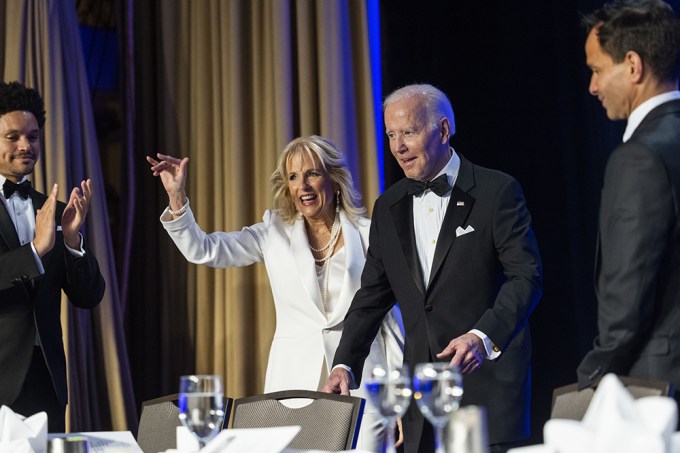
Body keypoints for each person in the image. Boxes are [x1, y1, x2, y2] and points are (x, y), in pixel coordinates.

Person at [147, 135, 404, 452]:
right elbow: (204, 250)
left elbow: (388, 320)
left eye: (312, 174)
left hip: (359, 380)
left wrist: (396, 396)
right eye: (294, 177)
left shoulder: (368, 233)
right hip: (291, 382)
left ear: (333, 179)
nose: (303, 186)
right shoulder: (273, 232)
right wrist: (177, 198)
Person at [323, 84, 543, 453]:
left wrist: (481, 336)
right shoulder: (389, 207)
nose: (398, 146)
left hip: (485, 388)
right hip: (420, 400)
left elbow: (526, 277)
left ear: (442, 130)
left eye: (408, 132)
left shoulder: (496, 191)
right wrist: (344, 363)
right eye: (391, 134)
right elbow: (371, 297)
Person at [576, 0, 680, 398]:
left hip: (657, 386)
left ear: (633, 66)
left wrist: (592, 380)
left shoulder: (639, 157)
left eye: (597, 70)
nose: (593, 86)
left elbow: (627, 294)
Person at [0, 81, 106, 432]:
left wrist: (73, 239)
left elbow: (89, 296)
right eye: (12, 137)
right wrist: (34, 251)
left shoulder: (55, 211)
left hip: (47, 382)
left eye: (32, 136)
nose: (25, 145)